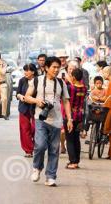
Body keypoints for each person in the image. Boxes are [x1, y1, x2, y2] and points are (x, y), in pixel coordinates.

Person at [25, 56, 73, 187]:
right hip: (40, 118)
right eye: (54, 67)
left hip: (57, 121)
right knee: (40, 146)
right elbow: (27, 97)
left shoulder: (61, 83)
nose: (56, 70)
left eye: (58, 67)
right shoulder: (37, 81)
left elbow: (66, 101)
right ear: (46, 68)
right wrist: (37, 101)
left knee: (54, 150)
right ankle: (37, 167)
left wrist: (69, 119)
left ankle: (51, 176)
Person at [63, 68, 86, 169]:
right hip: (80, 116)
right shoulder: (84, 88)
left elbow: (68, 102)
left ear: (74, 77)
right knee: (76, 139)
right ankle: (76, 160)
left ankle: (73, 161)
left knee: (70, 139)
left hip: (71, 116)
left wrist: (68, 118)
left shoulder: (70, 88)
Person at [16, 64, 37, 157]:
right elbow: (17, 93)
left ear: (33, 71)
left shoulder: (38, 81)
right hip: (24, 107)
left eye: (27, 70)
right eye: (24, 70)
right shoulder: (22, 80)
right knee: (24, 129)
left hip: (36, 108)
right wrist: (21, 96)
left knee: (36, 128)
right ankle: (28, 150)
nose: (25, 72)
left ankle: (36, 146)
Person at [99, 66, 111, 159]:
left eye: (103, 72)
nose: (102, 74)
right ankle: (110, 154)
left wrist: (98, 98)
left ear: (108, 73)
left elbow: (108, 98)